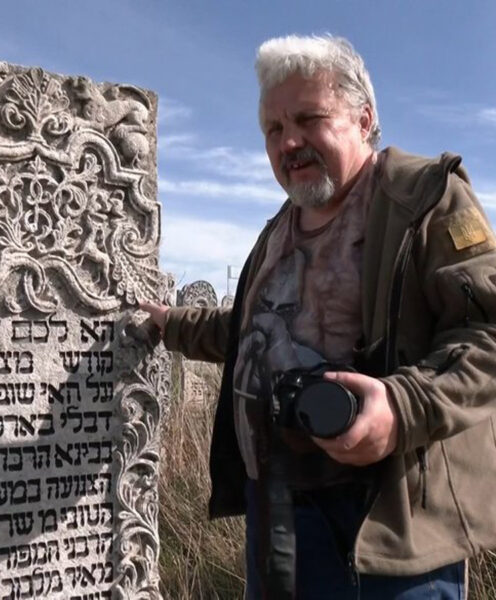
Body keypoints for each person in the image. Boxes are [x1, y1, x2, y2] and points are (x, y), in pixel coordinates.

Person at [141, 34, 496, 599]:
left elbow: (487, 331)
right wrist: (170, 323)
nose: (289, 142)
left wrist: (401, 408)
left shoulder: (423, 199)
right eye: (274, 129)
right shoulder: (278, 229)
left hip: (383, 528)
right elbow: (251, 333)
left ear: (364, 118)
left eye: (309, 119)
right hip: (273, 511)